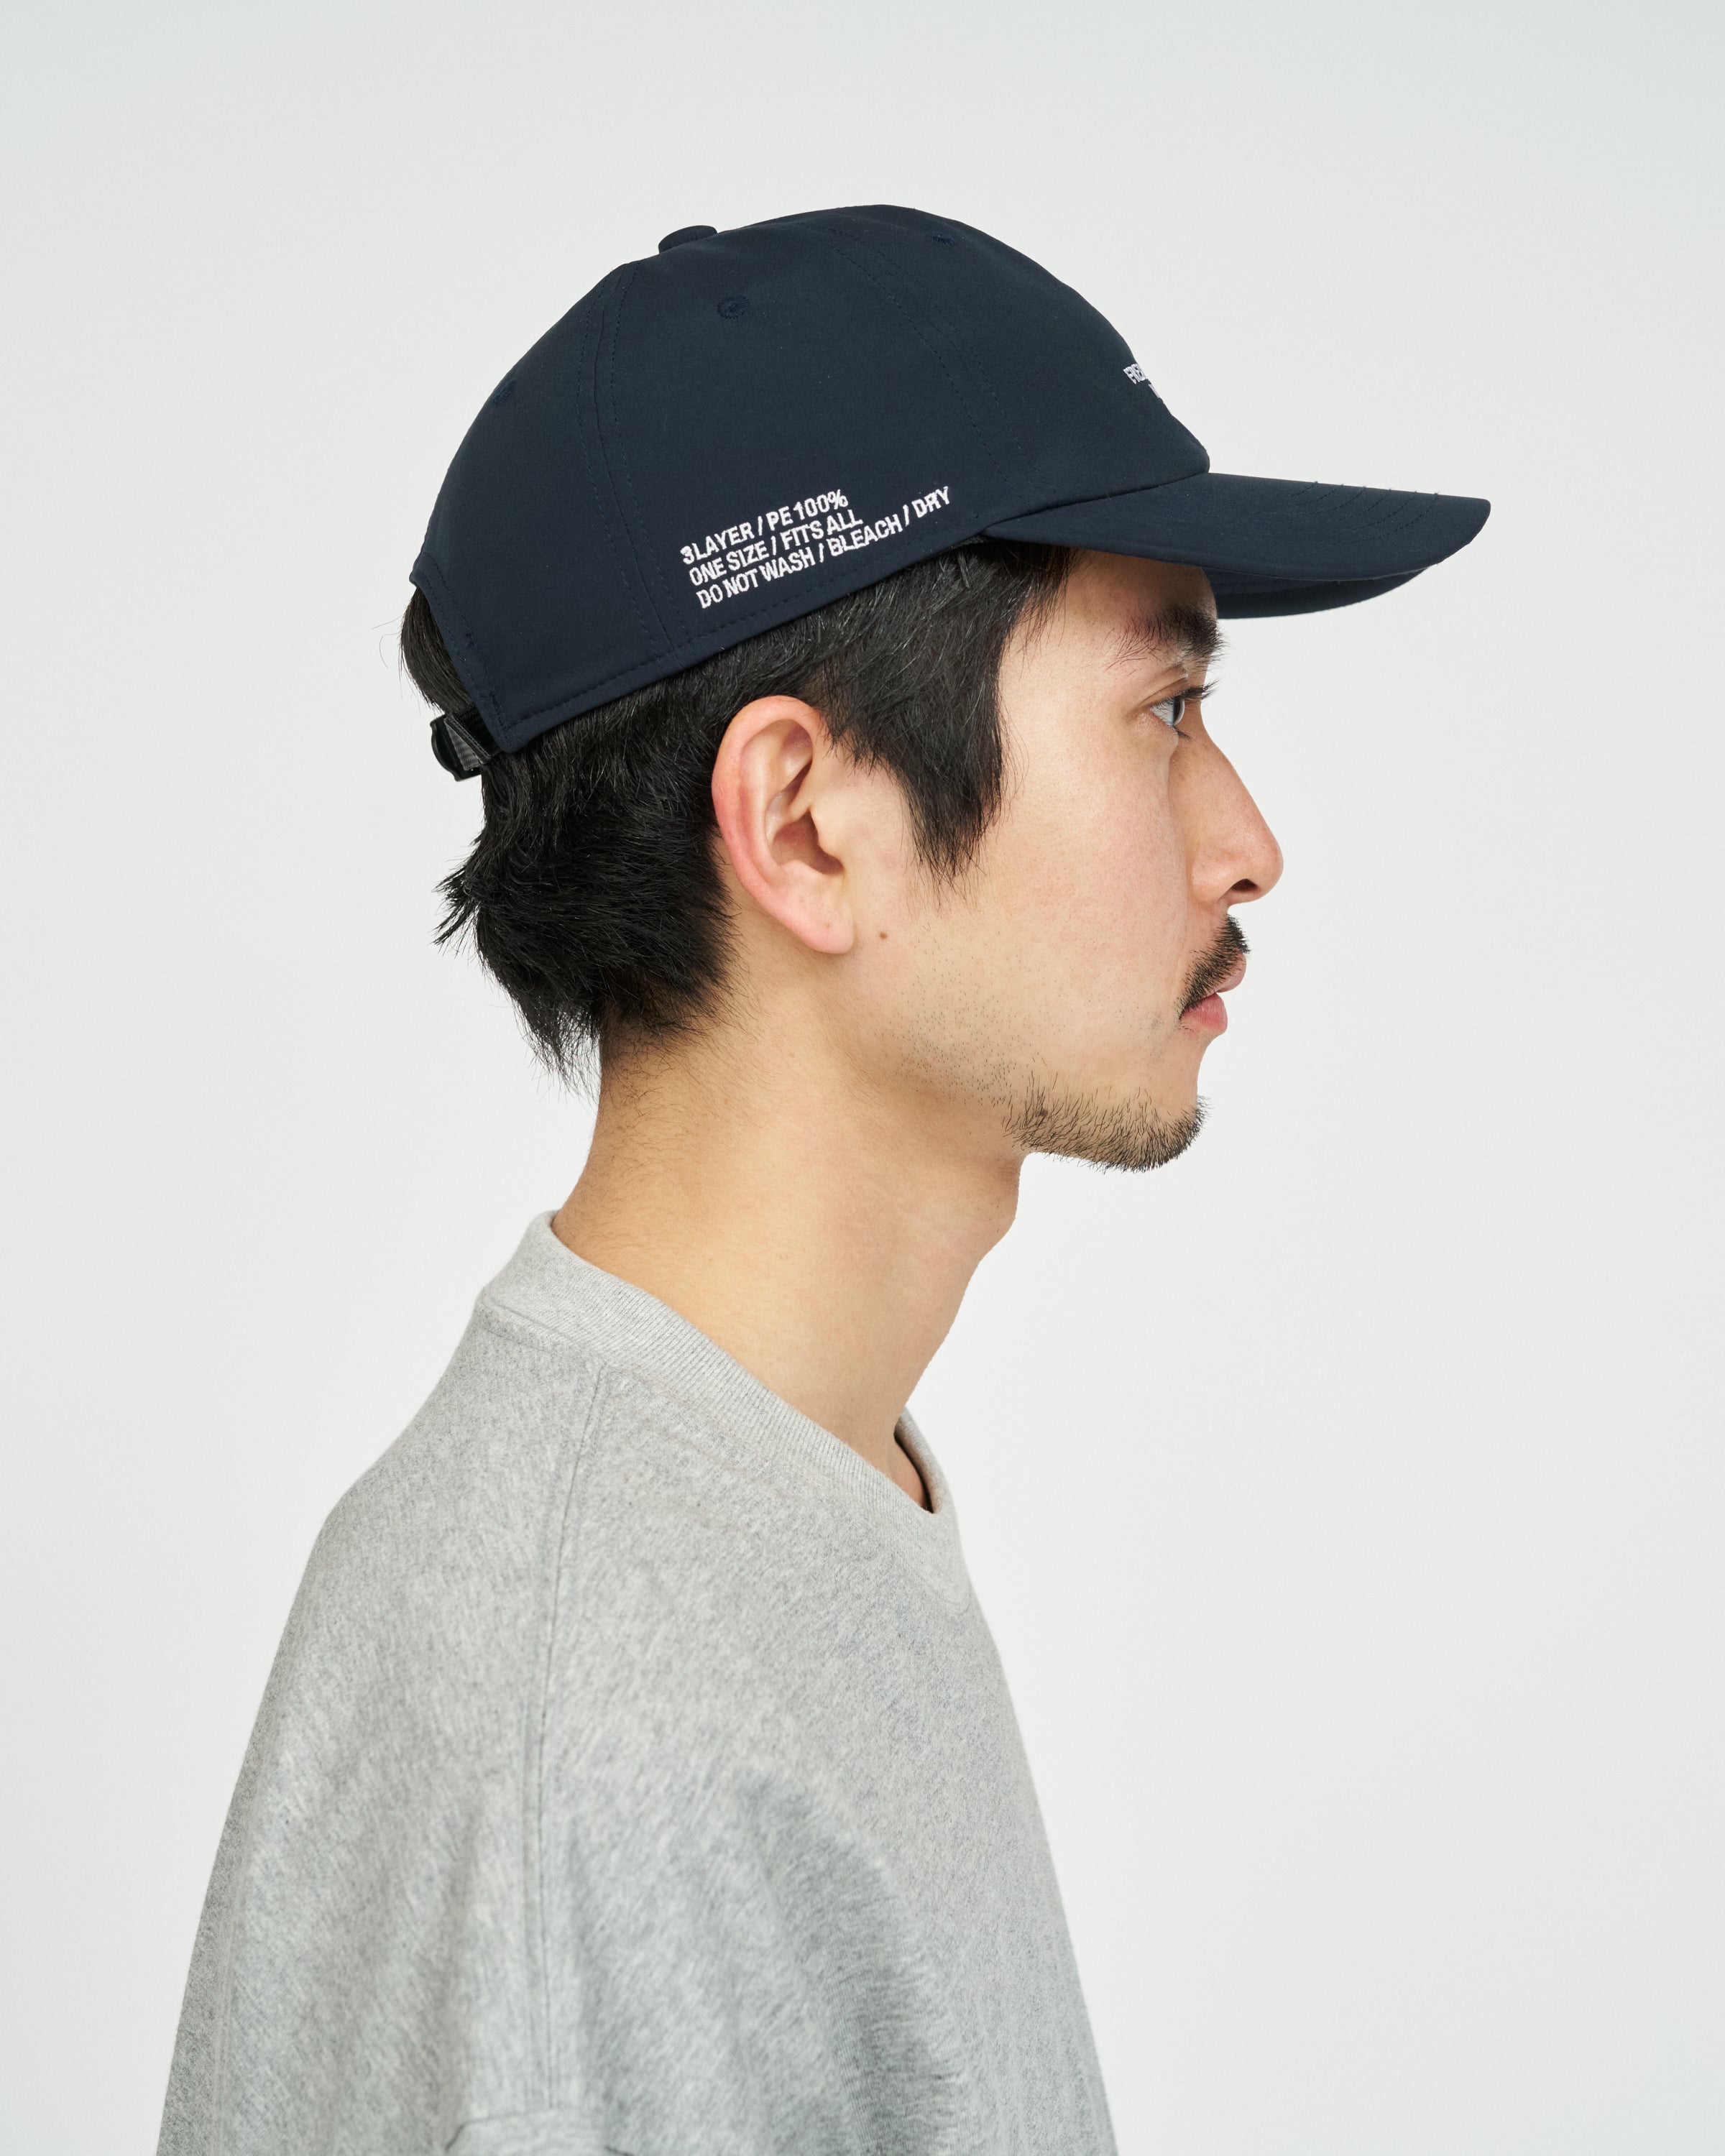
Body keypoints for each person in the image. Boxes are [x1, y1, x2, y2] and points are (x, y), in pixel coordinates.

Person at [157, 207, 1487, 2155]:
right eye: (1165, 710)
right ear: (803, 823)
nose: (1249, 844)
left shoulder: (776, 1497)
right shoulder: (588, 1708)